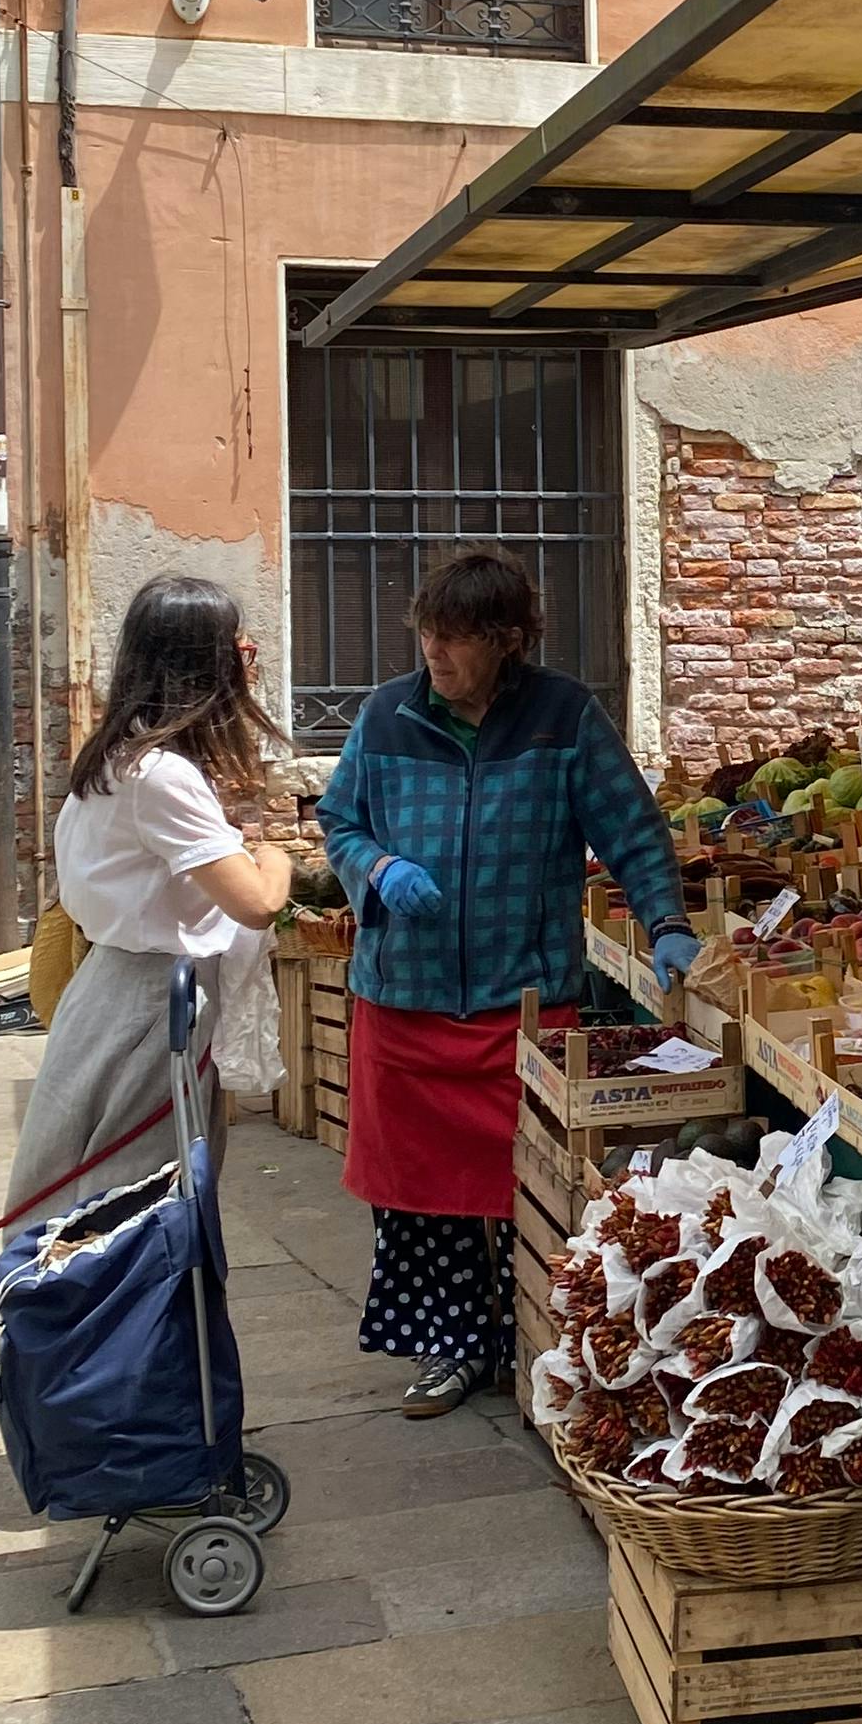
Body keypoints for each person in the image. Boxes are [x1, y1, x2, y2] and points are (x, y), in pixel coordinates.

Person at [318, 547, 694, 1417]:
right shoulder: (385, 718)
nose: (434, 656)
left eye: (453, 640)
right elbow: (338, 821)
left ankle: (533, 1339)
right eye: (426, 636)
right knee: (418, 1197)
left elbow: (632, 830)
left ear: (507, 640)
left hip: (523, 1002)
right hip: (403, 1003)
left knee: (530, 1184)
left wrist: (666, 922)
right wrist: (375, 869)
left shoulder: (564, 718)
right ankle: (450, 1348)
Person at [10, 575, 294, 1224]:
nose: (248, 656)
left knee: (108, 1192)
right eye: (237, 647)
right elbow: (254, 903)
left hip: (119, 997)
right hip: (149, 1009)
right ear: (203, 665)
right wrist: (275, 860)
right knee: (141, 1208)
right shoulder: (159, 775)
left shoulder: (119, 756)